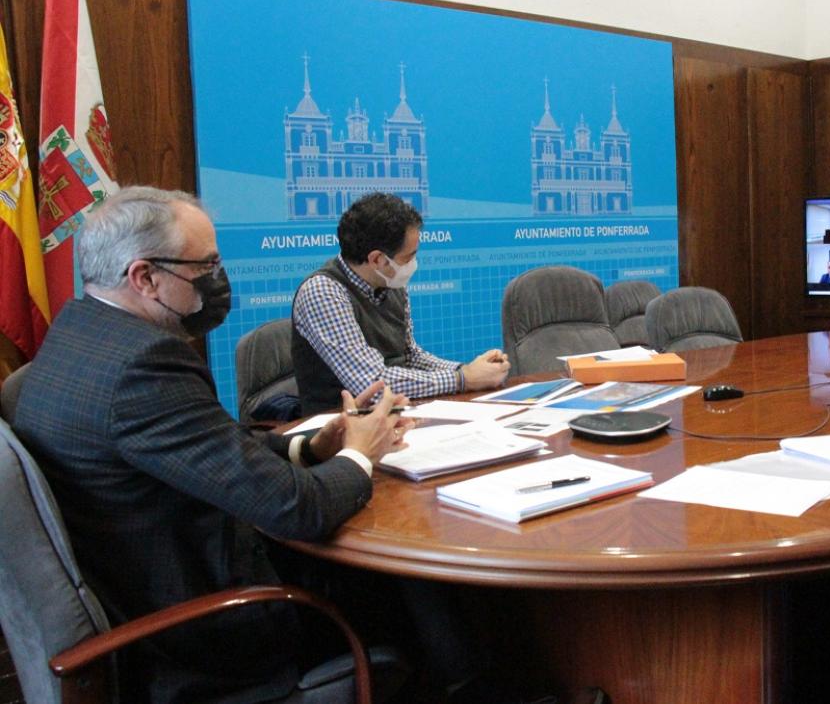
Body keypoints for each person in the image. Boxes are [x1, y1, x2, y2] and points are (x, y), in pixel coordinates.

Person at [11, 187, 414, 703]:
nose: (218, 281)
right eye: (205, 267)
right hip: (203, 639)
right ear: (145, 277)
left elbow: (207, 448)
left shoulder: (77, 335)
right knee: (404, 601)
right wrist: (362, 453)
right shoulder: (144, 365)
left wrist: (311, 447)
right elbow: (298, 508)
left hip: (145, 590)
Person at [292, 192, 510, 414]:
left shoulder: (390, 282)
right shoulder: (323, 292)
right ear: (377, 259)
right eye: (408, 257)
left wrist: (469, 369)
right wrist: (463, 379)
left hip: (394, 413)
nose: (413, 264)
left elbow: (409, 355)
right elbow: (372, 385)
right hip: (336, 428)